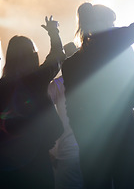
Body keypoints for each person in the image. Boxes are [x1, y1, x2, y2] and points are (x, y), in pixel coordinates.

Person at [61, 0, 134, 189]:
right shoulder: (115, 41)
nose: (116, 26)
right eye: (113, 21)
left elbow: (72, 107)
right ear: (106, 23)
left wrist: (84, 138)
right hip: (123, 131)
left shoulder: (71, 63)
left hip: (92, 139)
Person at [0, 16, 65, 189]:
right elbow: (58, 56)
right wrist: (53, 31)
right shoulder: (35, 79)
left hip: (4, 167)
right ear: (32, 56)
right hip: (35, 164)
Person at [48, 42, 83, 189]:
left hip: (68, 152)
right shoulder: (89, 78)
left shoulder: (57, 84)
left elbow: (40, 106)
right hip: (90, 148)